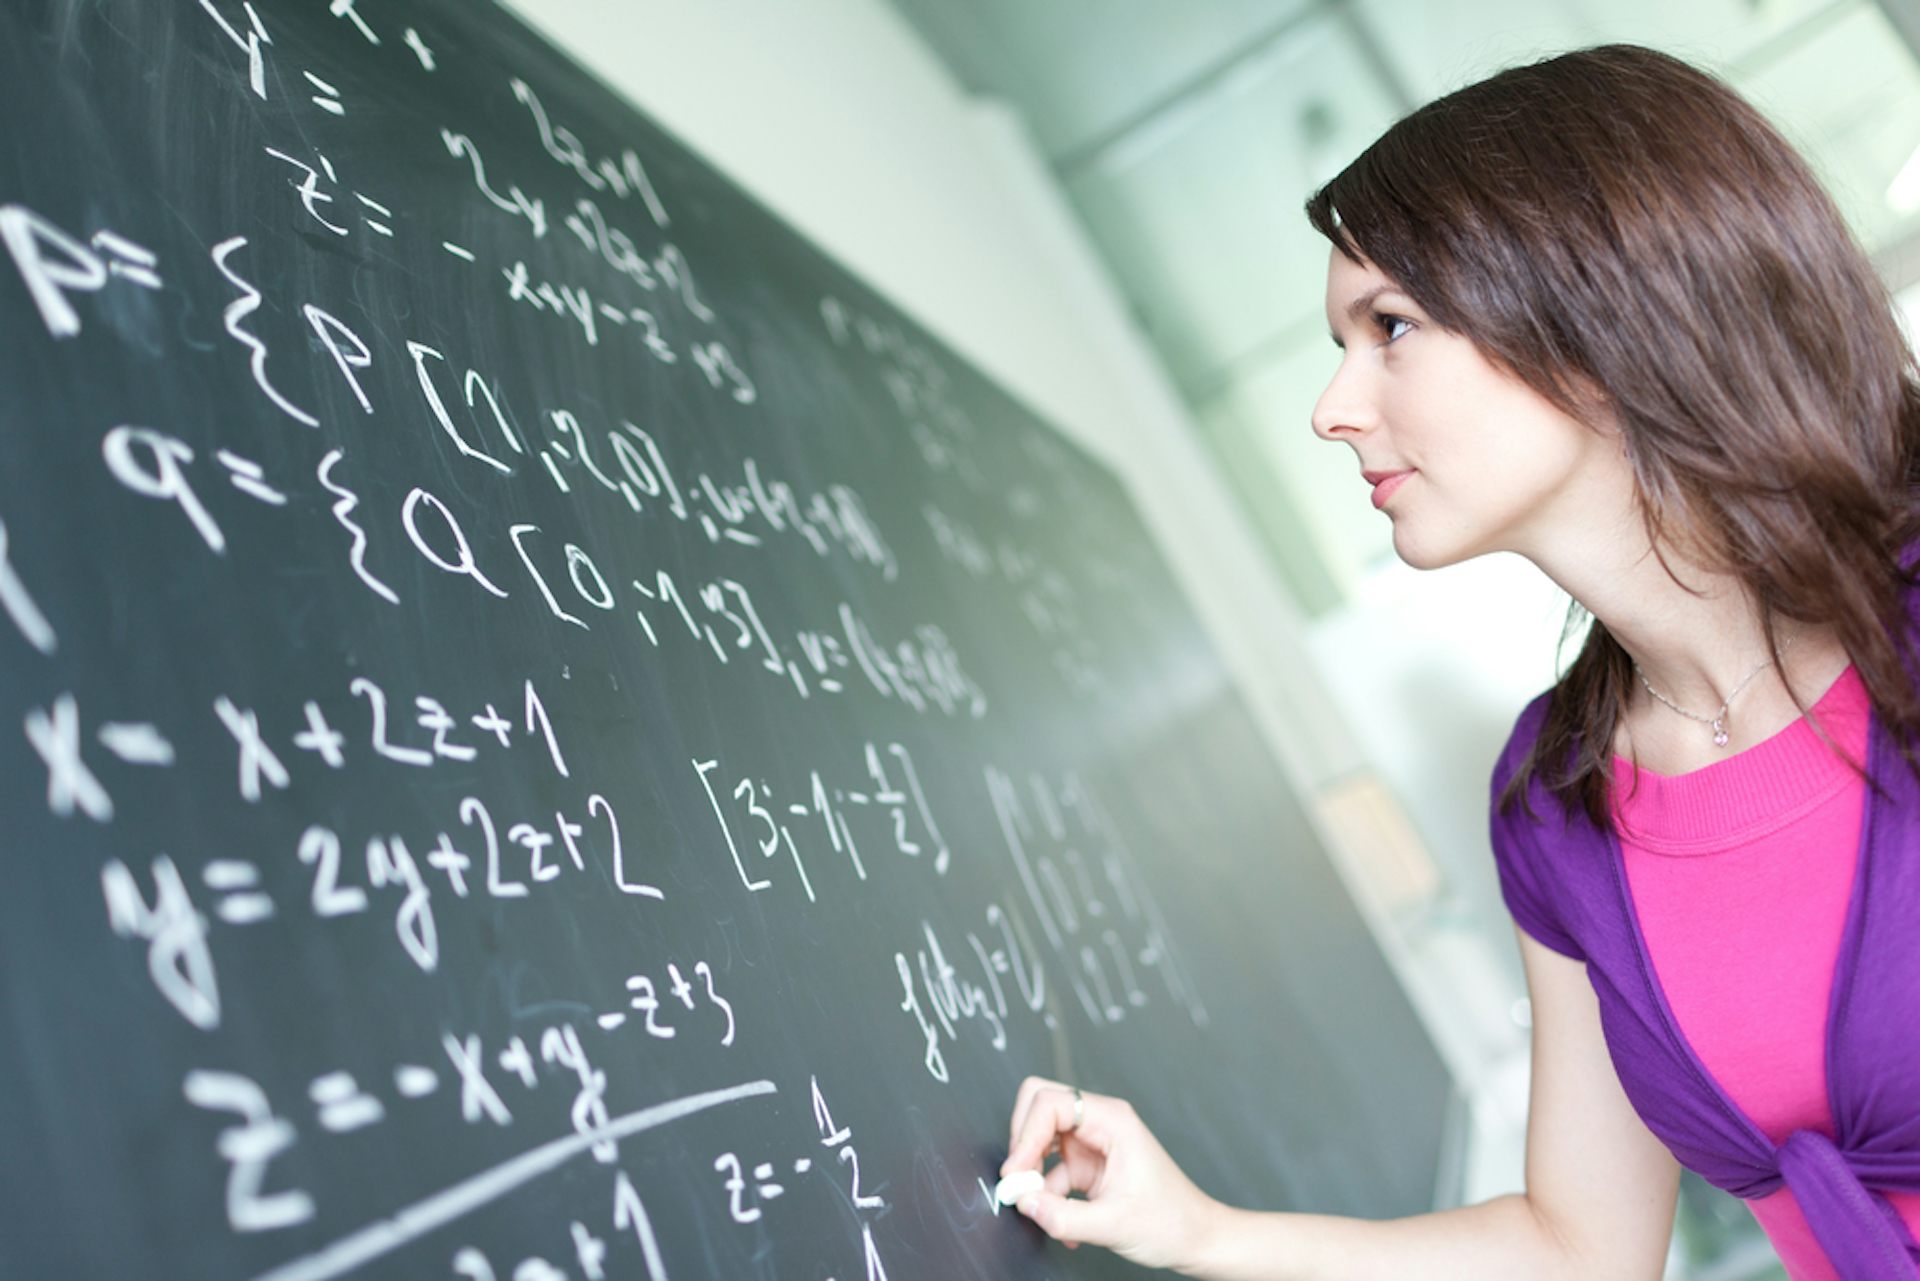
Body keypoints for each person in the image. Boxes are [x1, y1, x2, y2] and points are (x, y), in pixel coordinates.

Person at [1001, 43, 1920, 1280]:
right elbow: (1582, 1245)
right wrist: (1202, 1231)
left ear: (1596, 309)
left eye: (1389, 327)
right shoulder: (1559, 802)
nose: (1332, 408)